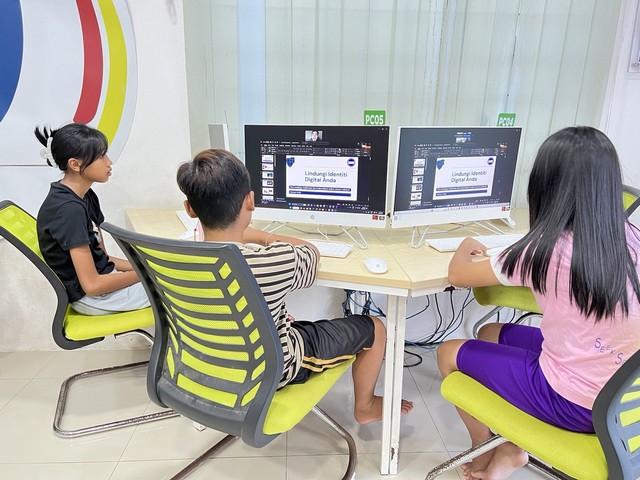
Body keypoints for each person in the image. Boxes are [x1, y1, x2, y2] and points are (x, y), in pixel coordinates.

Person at [437, 126, 640, 480]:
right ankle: (509, 447)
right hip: (621, 402)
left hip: (573, 402)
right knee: (490, 332)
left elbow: (459, 274)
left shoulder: (544, 250)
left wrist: (468, 241)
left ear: (546, 185)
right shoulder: (631, 237)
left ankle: (484, 448)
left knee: (447, 353)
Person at [176, 148, 414, 424]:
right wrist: (262, 236)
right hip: (272, 370)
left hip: (206, 368)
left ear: (189, 208)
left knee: (285, 317)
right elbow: (311, 252)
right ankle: (365, 407)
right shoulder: (273, 260)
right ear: (250, 201)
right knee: (375, 328)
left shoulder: (175, 259)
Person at [35, 123, 150, 315]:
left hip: (105, 284)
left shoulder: (86, 196)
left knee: (171, 279)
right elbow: (92, 286)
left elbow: (103, 257)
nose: (109, 162)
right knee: (179, 289)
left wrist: (144, 267)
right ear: (75, 164)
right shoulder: (68, 210)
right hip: (94, 299)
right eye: (101, 156)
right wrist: (144, 274)